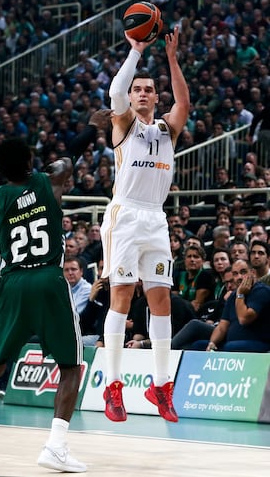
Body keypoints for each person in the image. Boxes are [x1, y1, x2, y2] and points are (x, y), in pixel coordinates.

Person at [0, 140, 87, 472]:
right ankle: (56, 446)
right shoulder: (50, 181)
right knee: (69, 366)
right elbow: (71, 157)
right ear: (31, 160)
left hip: (14, 284)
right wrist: (94, 128)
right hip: (49, 280)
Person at [100, 25, 190, 423]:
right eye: (138, 89)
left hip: (155, 217)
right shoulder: (124, 126)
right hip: (125, 213)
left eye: (148, 90)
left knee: (161, 301)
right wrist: (135, 52)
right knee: (121, 294)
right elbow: (114, 93)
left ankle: (160, 385)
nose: (141, 93)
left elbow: (184, 104)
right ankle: (114, 385)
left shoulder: (166, 130)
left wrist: (171, 58)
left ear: (155, 97)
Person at [192, 259, 270, 352]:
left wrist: (240, 295)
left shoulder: (262, 291)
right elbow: (222, 327)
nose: (239, 277)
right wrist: (212, 343)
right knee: (199, 345)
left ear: (252, 273)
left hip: (258, 343)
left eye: (243, 272)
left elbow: (244, 319)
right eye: (235, 274)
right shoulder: (233, 295)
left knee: (230, 347)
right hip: (232, 344)